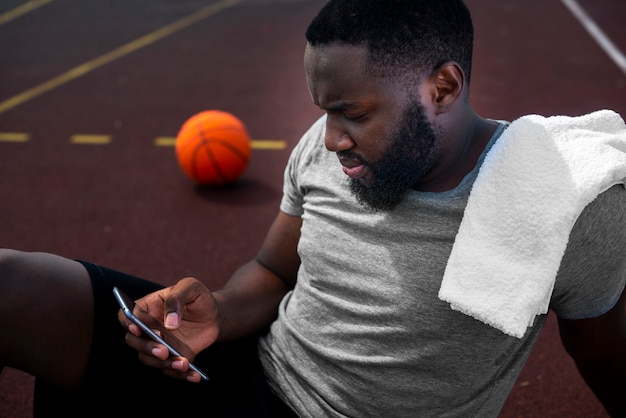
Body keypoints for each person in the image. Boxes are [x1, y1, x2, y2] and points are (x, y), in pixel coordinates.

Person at [1, 0, 625, 416]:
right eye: (324, 110)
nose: (328, 139)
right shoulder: (329, 148)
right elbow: (273, 271)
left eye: (352, 113)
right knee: (13, 287)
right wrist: (217, 308)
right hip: (252, 375)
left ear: (443, 88)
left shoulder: (562, 201)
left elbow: (604, 357)